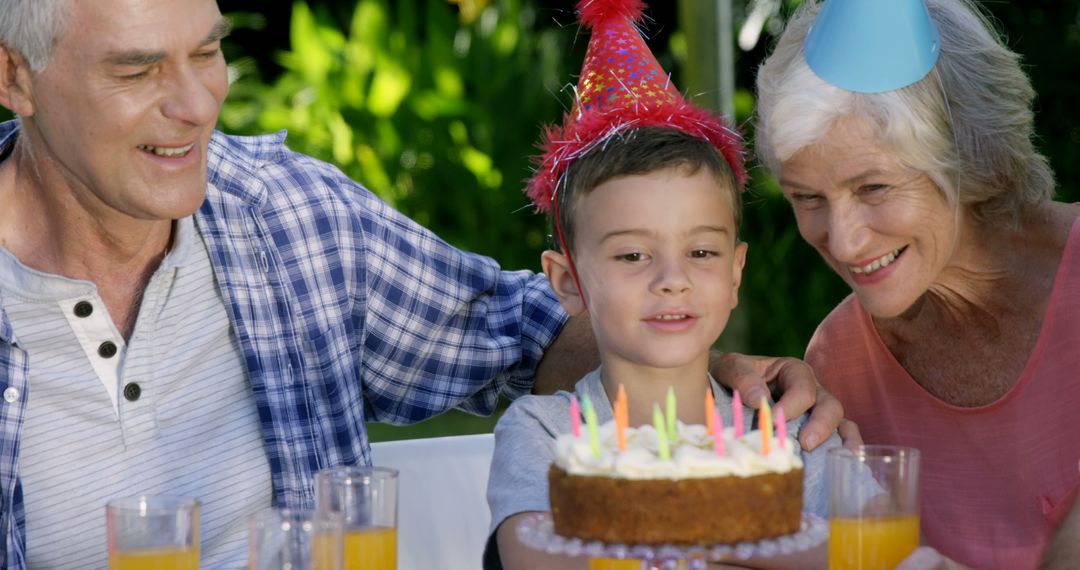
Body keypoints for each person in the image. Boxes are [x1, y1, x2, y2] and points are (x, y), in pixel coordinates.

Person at [0, 0, 844, 567]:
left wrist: (715, 378)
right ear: (14, 78)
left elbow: (533, 333)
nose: (196, 104)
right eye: (137, 70)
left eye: (209, 51)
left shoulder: (292, 220)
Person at [485, 2, 841, 568]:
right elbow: (536, 558)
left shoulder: (789, 430)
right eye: (632, 254)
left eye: (701, 252)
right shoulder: (546, 435)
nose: (672, 280)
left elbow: (861, 550)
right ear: (568, 282)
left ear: (734, 273)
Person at [754, 0, 1080, 568]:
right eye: (807, 197)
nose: (846, 242)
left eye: (874, 187)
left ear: (971, 158)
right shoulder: (840, 364)